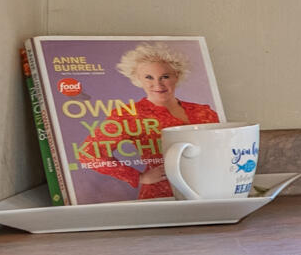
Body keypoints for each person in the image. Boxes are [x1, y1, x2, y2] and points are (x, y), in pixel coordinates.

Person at [80, 43, 222, 197]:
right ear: (137, 79)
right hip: (161, 195)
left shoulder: (204, 112)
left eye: (165, 77)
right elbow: (89, 154)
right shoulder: (129, 114)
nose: (158, 84)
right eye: (149, 77)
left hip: (209, 190)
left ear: (177, 76)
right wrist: (138, 177)